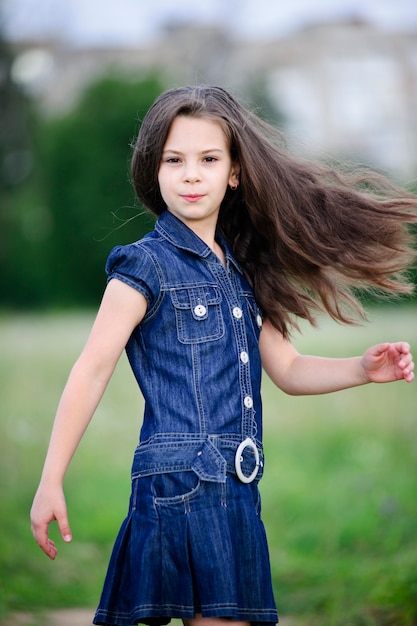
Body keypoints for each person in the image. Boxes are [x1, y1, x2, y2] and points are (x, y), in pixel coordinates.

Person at [31, 85, 416, 626]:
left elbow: (286, 368)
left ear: (234, 173)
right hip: (181, 485)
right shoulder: (144, 267)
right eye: (175, 160)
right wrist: (51, 479)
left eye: (208, 159)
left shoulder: (241, 271)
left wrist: (361, 369)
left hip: (236, 491)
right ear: (154, 171)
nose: (191, 174)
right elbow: (92, 368)